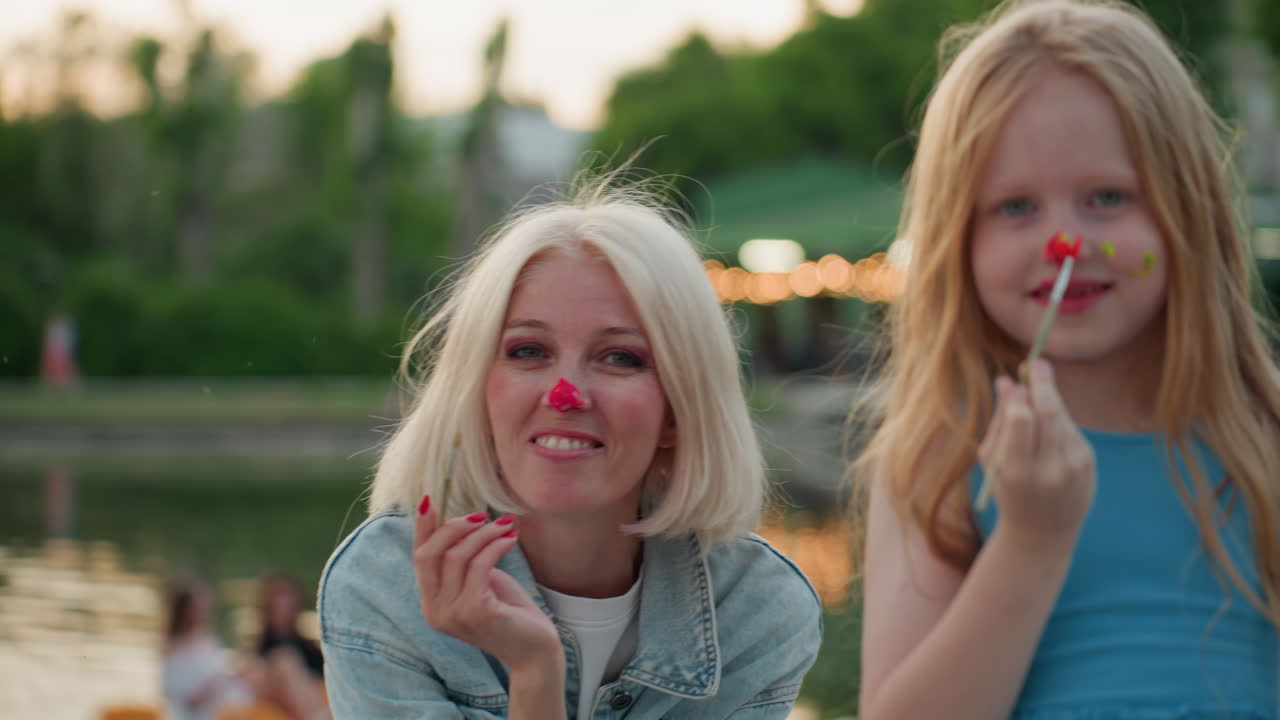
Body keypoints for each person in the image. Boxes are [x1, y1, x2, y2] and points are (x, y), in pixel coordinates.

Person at [853, 1, 1280, 718]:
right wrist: (1031, 539)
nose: (1066, 244)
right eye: (1016, 207)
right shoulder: (939, 458)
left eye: (1107, 197)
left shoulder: (1264, 434)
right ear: (958, 239)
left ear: (1189, 211)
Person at [318, 173, 823, 718]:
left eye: (620, 357)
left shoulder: (756, 609)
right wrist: (534, 670)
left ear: (679, 411)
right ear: (477, 391)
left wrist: (536, 669)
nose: (565, 394)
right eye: (528, 351)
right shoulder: (384, 587)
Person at [161, 577, 254, 720]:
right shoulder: (175, 647)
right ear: (185, 610)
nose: (204, 611)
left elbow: (221, 673)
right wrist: (219, 684)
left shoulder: (209, 640)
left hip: (226, 702)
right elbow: (185, 698)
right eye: (198, 607)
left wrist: (235, 676)